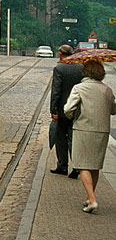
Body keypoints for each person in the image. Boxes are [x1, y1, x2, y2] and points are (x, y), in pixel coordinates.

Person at [64, 60, 116, 213]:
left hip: (83, 129)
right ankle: (89, 196)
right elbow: (113, 110)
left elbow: (68, 109)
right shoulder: (107, 90)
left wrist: (75, 116)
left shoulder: (79, 88)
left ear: (85, 72)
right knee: (95, 165)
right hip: (102, 131)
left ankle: (92, 200)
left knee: (82, 165)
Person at [50, 45, 83, 178]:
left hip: (63, 109)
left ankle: (62, 166)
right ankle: (76, 167)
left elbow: (56, 91)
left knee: (61, 138)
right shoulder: (81, 68)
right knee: (73, 138)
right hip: (76, 109)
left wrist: (53, 109)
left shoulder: (60, 68)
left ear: (61, 54)